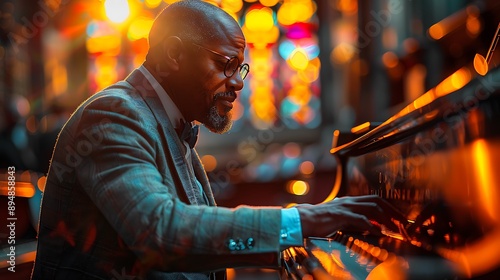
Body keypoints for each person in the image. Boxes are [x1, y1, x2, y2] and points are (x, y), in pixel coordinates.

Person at [31, 1, 404, 279]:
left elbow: (190, 238)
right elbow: (159, 230)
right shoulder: (115, 113)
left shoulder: (170, 121)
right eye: (225, 64)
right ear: (174, 54)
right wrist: (300, 221)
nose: (239, 83)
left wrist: (299, 233)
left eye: (240, 67)